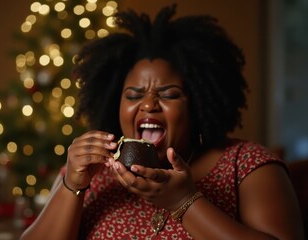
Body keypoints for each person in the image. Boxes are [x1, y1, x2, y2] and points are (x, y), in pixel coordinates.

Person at [20, 5, 304, 240]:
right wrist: (72, 184)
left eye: (169, 94)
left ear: (199, 104)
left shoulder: (246, 166)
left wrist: (184, 202)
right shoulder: (89, 174)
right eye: (134, 95)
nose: (148, 104)